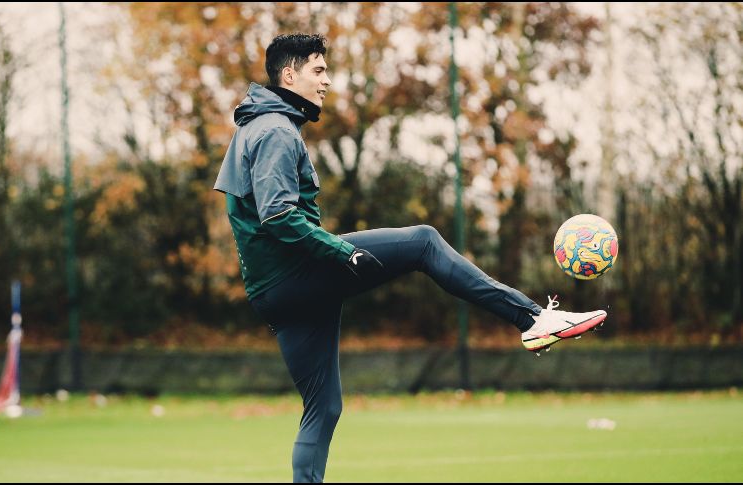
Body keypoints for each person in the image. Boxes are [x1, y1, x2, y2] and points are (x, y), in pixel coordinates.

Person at [214, 33, 607, 483]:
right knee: (423, 241)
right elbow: (278, 215)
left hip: (272, 293)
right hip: (297, 275)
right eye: (318, 70)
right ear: (289, 74)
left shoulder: (256, 126)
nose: (327, 81)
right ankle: (532, 319)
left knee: (323, 407)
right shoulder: (275, 130)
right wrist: (342, 252)